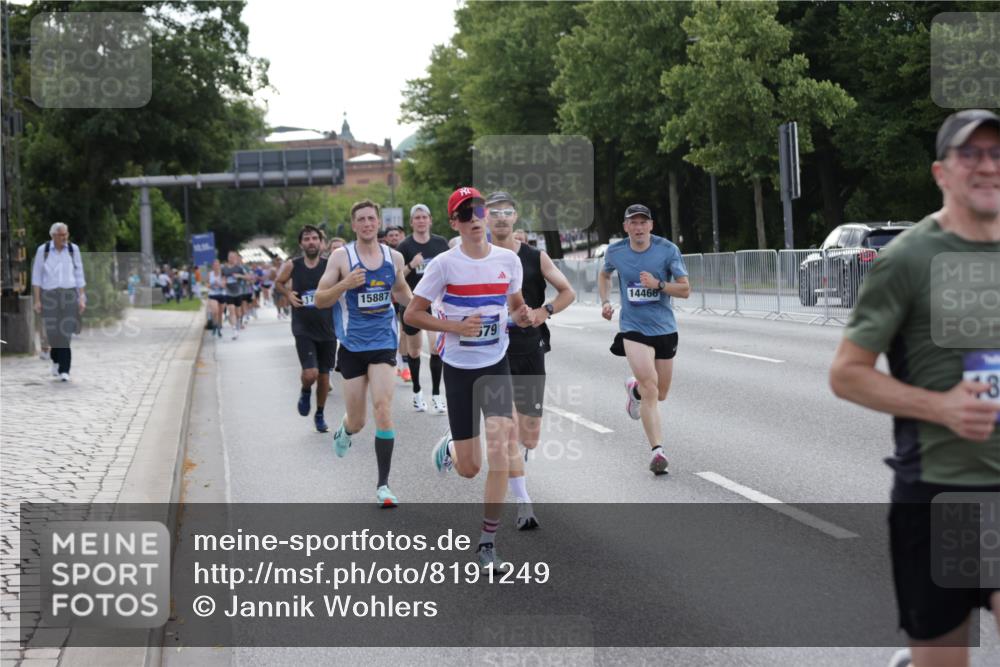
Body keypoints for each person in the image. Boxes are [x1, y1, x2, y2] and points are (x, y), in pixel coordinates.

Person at [829, 109, 1000, 667]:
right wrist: (943, 407)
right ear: (940, 173)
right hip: (939, 492)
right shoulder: (906, 260)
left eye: (997, 154)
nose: (986, 166)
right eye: (970, 154)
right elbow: (847, 372)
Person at [404, 186, 534, 571]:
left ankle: (487, 543)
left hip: (495, 362)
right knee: (469, 468)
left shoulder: (509, 260)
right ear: (455, 224)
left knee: (500, 448)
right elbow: (413, 314)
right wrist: (454, 326)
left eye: (478, 210)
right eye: (466, 214)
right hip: (458, 369)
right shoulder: (443, 264)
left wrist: (523, 315)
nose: (475, 218)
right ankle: (450, 447)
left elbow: (513, 304)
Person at [485, 191, 576, 530]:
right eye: (494, 212)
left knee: (530, 436)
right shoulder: (479, 257)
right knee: (506, 431)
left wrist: (544, 311)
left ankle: (515, 464)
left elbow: (567, 291)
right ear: (485, 217)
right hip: (494, 352)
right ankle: (524, 503)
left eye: (507, 212)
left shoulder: (535, 257)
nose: (501, 218)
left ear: (516, 216)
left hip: (531, 348)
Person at [315, 200, 413, 507]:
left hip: (384, 342)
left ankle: (383, 485)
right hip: (353, 347)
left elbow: (401, 292)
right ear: (354, 225)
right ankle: (345, 430)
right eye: (362, 219)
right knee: (358, 421)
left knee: (383, 409)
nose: (368, 223)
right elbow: (320, 299)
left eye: (372, 218)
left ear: (379, 222)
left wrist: (423, 310)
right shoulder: (341, 257)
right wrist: (345, 283)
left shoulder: (393, 256)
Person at [599, 204, 690, 475]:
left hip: (664, 327)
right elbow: (604, 274)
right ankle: (657, 451)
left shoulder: (667, 250)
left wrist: (659, 285)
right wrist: (605, 301)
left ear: (651, 225)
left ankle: (634, 391)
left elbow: (685, 290)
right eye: (633, 223)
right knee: (651, 386)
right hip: (633, 327)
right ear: (626, 227)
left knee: (660, 392)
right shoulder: (615, 251)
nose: (638, 227)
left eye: (643, 222)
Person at [275, 226, 337, 433]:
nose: (311, 242)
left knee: (324, 375)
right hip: (303, 327)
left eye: (314, 238)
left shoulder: (330, 266)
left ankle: (319, 414)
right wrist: (288, 294)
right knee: (310, 373)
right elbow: (278, 282)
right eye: (307, 239)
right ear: (301, 244)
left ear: (321, 243)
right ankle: (304, 390)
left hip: (327, 328)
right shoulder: (292, 265)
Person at [398, 203, 451, 414]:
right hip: (412, 303)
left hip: (436, 303)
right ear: (412, 222)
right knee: (414, 350)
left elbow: (451, 267)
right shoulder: (404, 246)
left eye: (424, 217)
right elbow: (396, 276)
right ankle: (417, 391)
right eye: (417, 217)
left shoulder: (440, 243)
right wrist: (412, 264)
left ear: (430, 220)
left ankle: (437, 394)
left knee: (437, 347)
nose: (421, 221)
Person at [31, 222, 86, 382]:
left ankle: (64, 369)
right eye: (61, 235)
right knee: (53, 331)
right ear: (53, 235)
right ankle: (55, 358)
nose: (64, 237)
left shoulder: (73, 249)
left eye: (66, 234)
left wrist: (81, 298)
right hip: (49, 295)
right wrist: (37, 300)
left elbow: (79, 274)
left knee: (66, 331)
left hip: (69, 294)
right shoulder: (44, 250)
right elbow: (37, 277)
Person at [207, 259, 226, 338]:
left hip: (222, 294)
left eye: (217, 265)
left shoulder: (223, 274)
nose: (216, 266)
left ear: (219, 266)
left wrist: (218, 283)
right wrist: (211, 285)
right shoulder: (209, 274)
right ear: (212, 266)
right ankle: (215, 325)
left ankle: (219, 328)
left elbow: (224, 285)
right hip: (212, 295)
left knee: (220, 313)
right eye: (214, 265)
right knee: (215, 311)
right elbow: (207, 284)